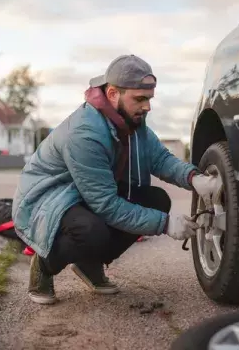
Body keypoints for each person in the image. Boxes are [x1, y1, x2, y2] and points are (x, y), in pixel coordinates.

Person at [12, 54, 221, 305]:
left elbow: (160, 159)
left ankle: (89, 264)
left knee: (156, 200)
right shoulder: (85, 133)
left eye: (149, 99)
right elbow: (106, 206)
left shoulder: (132, 121)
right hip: (48, 201)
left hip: (84, 194)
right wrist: (165, 225)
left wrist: (193, 178)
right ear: (112, 94)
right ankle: (44, 265)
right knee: (91, 232)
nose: (147, 107)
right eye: (140, 99)